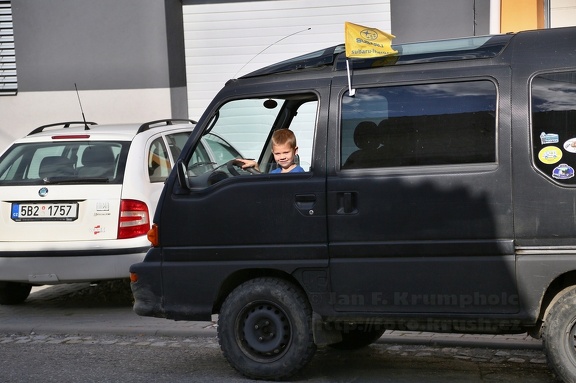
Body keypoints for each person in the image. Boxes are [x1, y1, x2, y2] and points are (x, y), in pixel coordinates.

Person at [237, 129, 305, 173]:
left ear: (295, 151)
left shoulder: (299, 174)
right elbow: (265, 186)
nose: (282, 157)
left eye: (286, 152)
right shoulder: (274, 173)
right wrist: (256, 167)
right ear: (273, 153)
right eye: (277, 153)